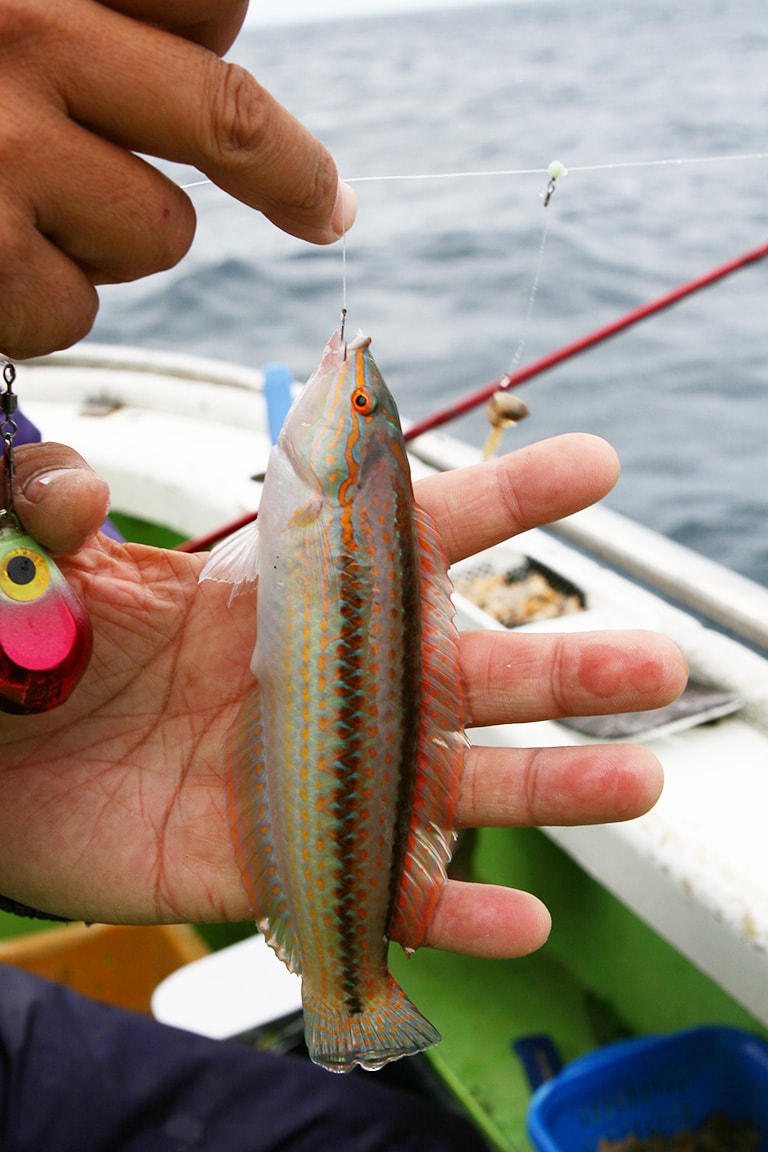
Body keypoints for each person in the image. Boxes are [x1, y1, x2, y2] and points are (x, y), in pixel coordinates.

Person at [0, 2, 688, 1148]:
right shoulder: (323, 499)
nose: (347, 375)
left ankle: (351, 994)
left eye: (360, 405)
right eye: (364, 406)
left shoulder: (325, 500)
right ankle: (348, 992)